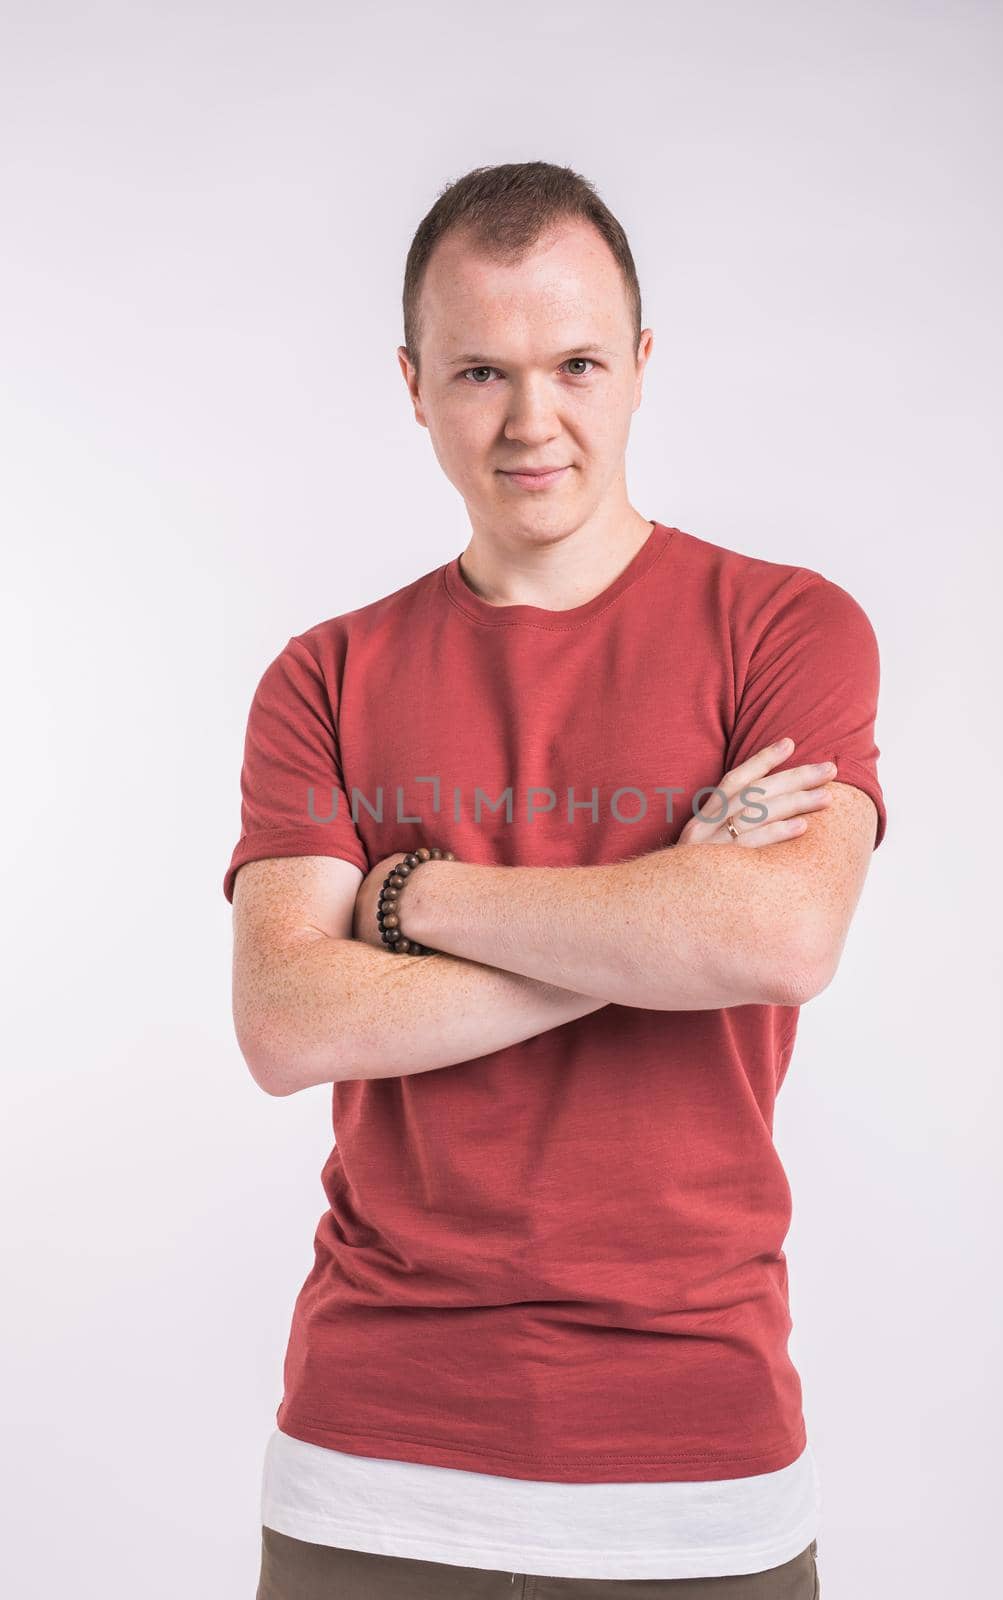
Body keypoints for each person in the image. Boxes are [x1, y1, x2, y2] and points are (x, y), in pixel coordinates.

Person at [225, 159, 886, 1598]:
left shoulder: (786, 629)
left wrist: (410, 901)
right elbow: (288, 1020)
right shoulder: (324, 677)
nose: (534, 421)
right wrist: (657, 916)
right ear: (413, 384)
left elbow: (776, 933)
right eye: (480, 372)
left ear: (642, 365)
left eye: (577, 363)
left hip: (700, 1475)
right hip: (370, 1471)